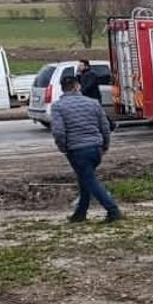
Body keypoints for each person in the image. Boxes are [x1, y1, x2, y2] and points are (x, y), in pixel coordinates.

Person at [50, 75, 122, 224]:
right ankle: (80, 213)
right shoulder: (93, 103)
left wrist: (63, 147)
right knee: (85, 179)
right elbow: (105, 126)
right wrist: (105, 145)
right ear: (77, 86)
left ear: (63, 89)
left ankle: (113, 210)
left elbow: (58, 132)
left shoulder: (58, 107)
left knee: (89, 180)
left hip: (76, 150)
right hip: (96, 148)